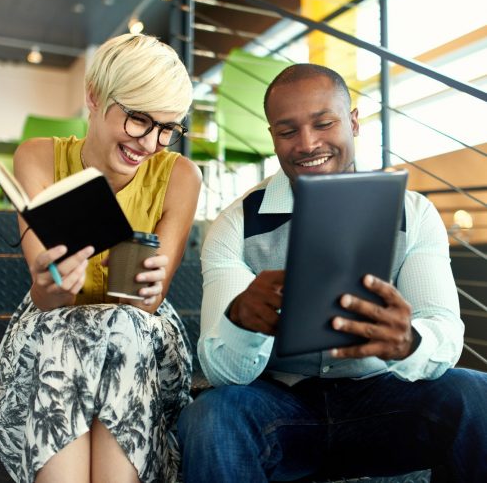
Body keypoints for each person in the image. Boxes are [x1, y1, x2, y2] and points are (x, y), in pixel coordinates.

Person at [177, 63, 487, 482]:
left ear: (354, 122)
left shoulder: (413, 214)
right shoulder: (236, 225)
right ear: (272, 137)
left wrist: (409, 342)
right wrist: (241, 321)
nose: (307, 144)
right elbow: (223, 373)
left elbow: (445, 334)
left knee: (475, 394)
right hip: (282, 408)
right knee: (211, 414)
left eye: (323, 123)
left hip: (384, 399)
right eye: (288, 132)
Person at [0, 33, 202, 483]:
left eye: (167, 129)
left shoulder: (179, 175)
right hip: (55, 328)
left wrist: (149, 284)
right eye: (139, 120)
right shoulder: (39, 156)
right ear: (94, 97)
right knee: (69, 331)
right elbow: (47, 299)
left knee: (122, 326)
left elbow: (147, 307)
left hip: (138, 335)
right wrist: (49, 283)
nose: (151, 143)